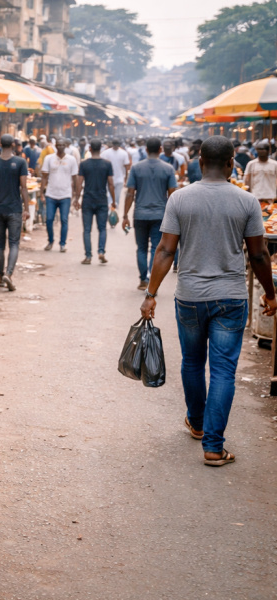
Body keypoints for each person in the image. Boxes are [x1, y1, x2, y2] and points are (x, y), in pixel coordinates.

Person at [140, 136, 277, 467]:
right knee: (223, 371)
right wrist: (271, 294)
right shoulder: (247, 202)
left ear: (200, 163)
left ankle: (198, 425)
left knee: (191, 362)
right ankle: (214, 447)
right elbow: (259, 254)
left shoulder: (180, 200)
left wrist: (151, 294)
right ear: (233, 164)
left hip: (189, 297)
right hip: (230, 298)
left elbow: (165, 250)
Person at [122, 137, 177, 290]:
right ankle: (151, 282)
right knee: (155, 248)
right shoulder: (168, 169)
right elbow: (172, 193)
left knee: (141, 248)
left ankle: (142, 280)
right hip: (160, 215)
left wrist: (125, 215)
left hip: (140, 214)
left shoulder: (136, 168)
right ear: (160, 149)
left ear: (146, 150)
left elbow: (130, 193)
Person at [0, 134, 30, 292]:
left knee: (0, 245)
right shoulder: (20, 162)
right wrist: (27, 208)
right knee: (14, 243)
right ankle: (9, 274)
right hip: (14, 209)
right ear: (14, 145)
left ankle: (1, 277)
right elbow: (23, 187)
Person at [75, 139, 115, 264]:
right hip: (102, 200)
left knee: (87, 229)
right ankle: (101, 252)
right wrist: (113, 200)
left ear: (90, 149)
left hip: (87, 200)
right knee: (102, 228)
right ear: (101, 149)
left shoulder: (84, 164)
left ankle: (88, 256)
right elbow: (110, 184)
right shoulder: (107, 164)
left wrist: (76, 199)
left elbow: (79, 183)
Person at [40, 138, 79, 253]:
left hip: (65, 194)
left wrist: (76, 194)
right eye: (59, 145)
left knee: (64, 220)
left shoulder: (71, 160)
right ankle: (50, 241)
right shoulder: (49, 158)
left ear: (66, 146)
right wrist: (42, 192)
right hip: (51, 194)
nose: (61, 146)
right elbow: (44, 176)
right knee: (49, 219)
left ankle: (62, 244)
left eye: (63, 145)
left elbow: (75, 177)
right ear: (56, 146)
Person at [100, 139, 131, 217]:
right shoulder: (124, 153)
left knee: (110, 197)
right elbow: (127, 167)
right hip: (118, 179)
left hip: (108, 179)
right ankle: (113, 214)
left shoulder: (105, 153)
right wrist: (126, 179)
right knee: (116, 198)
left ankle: (111, 213)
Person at [244, 140, 277, 207]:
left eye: (263, 149)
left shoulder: (274, 164)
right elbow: (246, 181)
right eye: (259, 149)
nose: (261, 151)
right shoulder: (251, 164)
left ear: (268, 151)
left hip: (270, 198)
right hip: (256, 197)